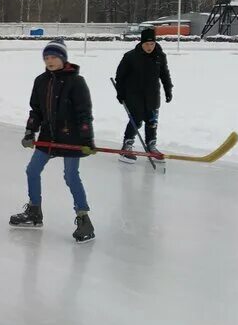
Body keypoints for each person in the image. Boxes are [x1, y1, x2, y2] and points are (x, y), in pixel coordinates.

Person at [10, 39, 96, 243]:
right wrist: (31, 131)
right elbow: (36, 110)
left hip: (71, 136)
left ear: (63, 58)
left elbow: (84, 114)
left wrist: (87, 139)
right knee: (32, 170)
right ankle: (34, 212)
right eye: (46, 58)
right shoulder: (41, 81)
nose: (50, 61)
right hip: (48, 135)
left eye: (54, 57)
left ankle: (84, 219)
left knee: (70, 176)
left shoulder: (76, 81)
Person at [114, 28, 173, 160]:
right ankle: (127, 145)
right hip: (134, 95)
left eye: (152, 44)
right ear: (141, 43)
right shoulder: (130, 56)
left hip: (152, 95)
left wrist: (168, 89)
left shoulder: (160, 56)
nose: (149, 47)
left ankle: (151, 145)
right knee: (136, 120)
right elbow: (120, 76)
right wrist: (120, 92)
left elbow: (164, 74)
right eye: (146, 44)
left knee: (152, 121)